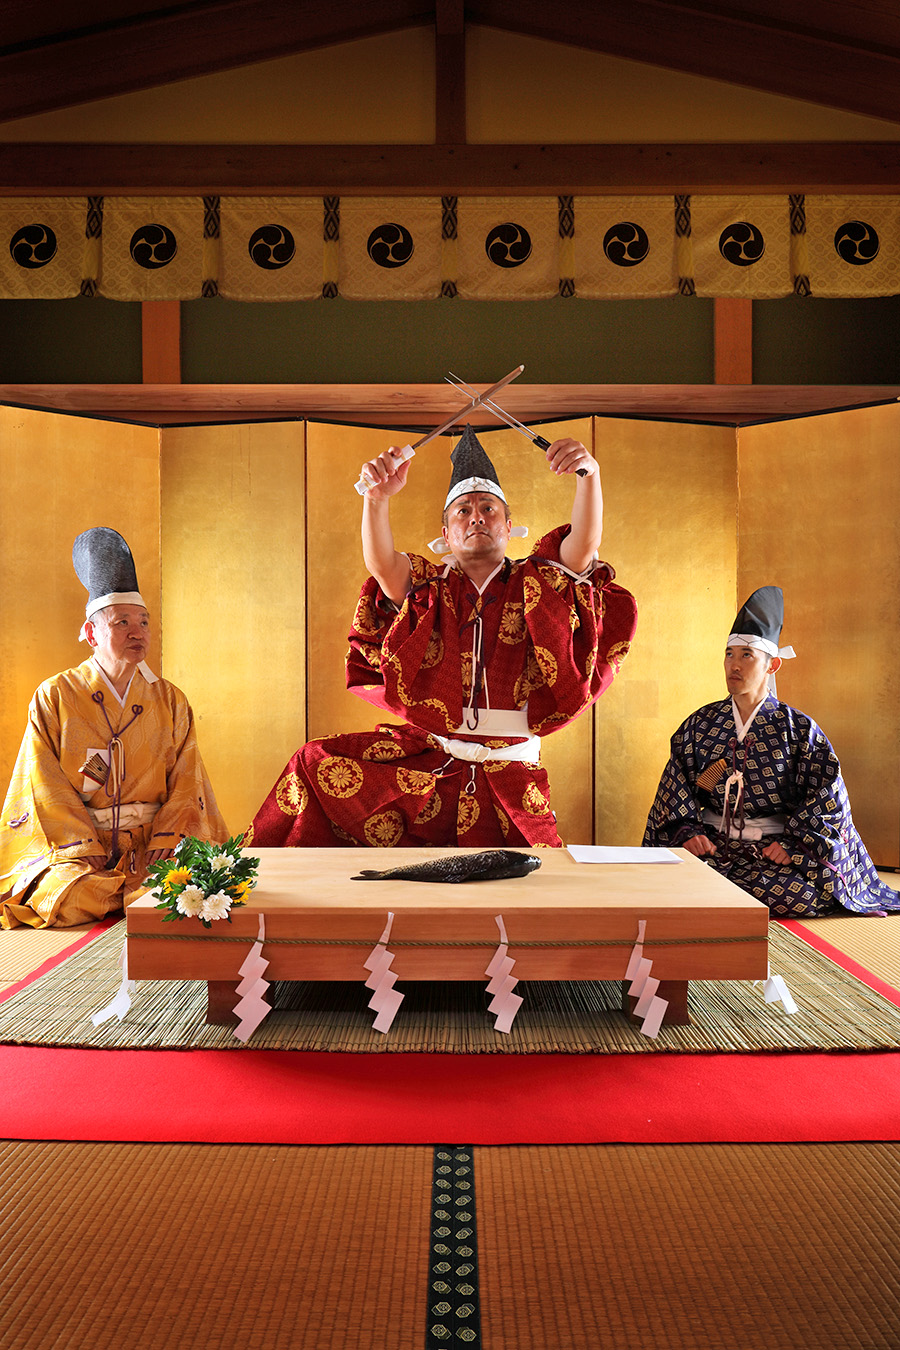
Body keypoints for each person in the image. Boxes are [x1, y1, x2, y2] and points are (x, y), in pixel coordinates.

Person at [250, 425, 637, 848]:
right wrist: (376, 500)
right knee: (314, 762)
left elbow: (582, 546)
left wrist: (588, 475)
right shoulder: (428, 589)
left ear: (509, 527)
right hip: (433, 760)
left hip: (510, 767)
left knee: (527, 889)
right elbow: (383, 564)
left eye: (489, 509)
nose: (476, 517)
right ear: (446, 535)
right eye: (462, 512)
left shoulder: (537, 581)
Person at [0, 527, 228, 929]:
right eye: (122, 622)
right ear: (91, 633)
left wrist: (167, 837)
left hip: (154, 844)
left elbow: (188, 780)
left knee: (197, 880)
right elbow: (42, 781)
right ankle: (130, 896)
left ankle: (133, 893)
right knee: (69, 894)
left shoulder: (170, 699)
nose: (137, 632)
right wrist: (80, 844)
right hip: (86, 849)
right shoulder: (56, 694)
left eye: (143, 622)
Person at [643, 585, 899, 917]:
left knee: (800, 894)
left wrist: (795, 845)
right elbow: (674, 787)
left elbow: (828, 797)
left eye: (746, 655)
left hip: (769, 852)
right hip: (712, 848)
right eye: (729, 654)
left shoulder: (799, 729)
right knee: (666, 880)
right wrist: (687, 831)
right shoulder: (701, 723)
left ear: (772, 665)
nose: (734, 665)